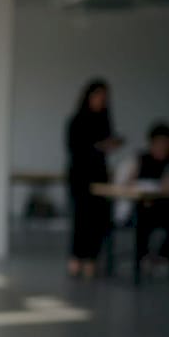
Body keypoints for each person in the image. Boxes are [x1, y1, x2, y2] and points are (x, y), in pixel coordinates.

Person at [66, 79, 124, 278]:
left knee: (98, 219)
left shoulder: (104, 121)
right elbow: (75, 149)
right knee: (81, 218)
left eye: (104, 97)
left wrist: (109, 145)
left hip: (100, 176)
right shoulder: (77, 121)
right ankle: (76, 258)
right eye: (98, 96)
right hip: (81, 176)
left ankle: (92, 259)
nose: (101, 100)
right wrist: (96, 147)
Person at [119, 122, 169, 266]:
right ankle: (143, 255)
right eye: (158, 143)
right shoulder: (142, 158)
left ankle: (165, 254)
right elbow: (127, 183)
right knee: (143, 213)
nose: (162, 147)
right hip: (147, 206)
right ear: (151, 143)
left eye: (166, 143)